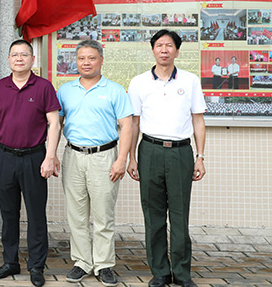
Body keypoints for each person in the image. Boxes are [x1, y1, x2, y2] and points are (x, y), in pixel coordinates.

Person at [127, 30, 206, 287]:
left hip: (181, 152)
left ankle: (182, 273)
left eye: (169, 45)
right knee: (153, 214)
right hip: (149, 150)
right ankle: (160, 271)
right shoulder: (139, 82)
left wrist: (200, 156)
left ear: (177, 51)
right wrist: (131, 158)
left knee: (180, 215)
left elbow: (198, 120)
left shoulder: (190, 80)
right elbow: (133, 123)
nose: (164, 50)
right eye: (159, 45)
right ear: (152, 50)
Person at [0, 39, 61, 287]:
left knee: (36, 214)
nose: (19, 58)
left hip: (34, 157)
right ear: (8, 59)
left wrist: (50, 157)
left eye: (24, 54)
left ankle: (36, 266)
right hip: (4, 156)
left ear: (32, 59)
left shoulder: (44, 87)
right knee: (9, 214)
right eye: (14, 54)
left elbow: (54, 123)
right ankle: (10, 262)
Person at [56, 40, 133, 286]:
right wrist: (51, 154)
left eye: (91, 58)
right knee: (76, 214)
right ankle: (82, 262)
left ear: (101, 60)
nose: (86, 63)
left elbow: (127, 125)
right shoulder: (65, 90)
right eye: (81, 58)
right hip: (73, 155)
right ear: (76, 61)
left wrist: (122, 159)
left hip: (104, 156)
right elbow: (55, 124)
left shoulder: (114, 90)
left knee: (103, 215)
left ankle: (104, 264)